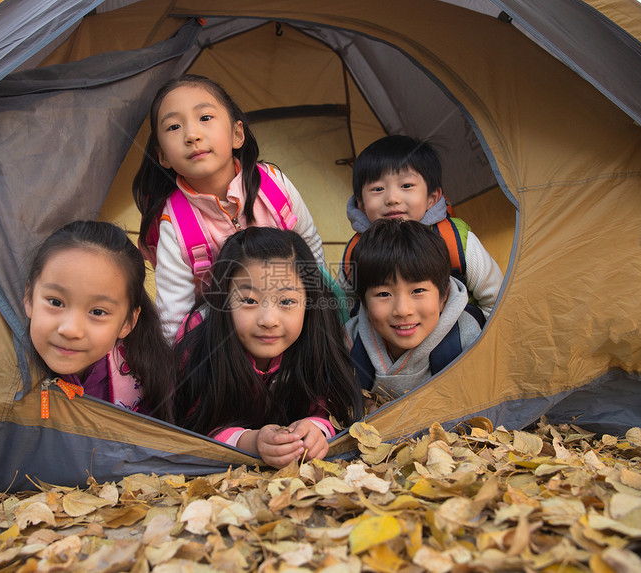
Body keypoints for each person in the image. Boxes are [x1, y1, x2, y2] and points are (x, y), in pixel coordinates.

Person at [133, 74, 325, 341]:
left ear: (237, 134)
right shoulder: (173, 224)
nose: (192, 135)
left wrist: (321, 323)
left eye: (205, 118)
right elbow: (174, 320)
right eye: (174, 127)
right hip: (223, 342)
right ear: (162, 155)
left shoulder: (274, 186)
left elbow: (311, 249)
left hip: (291, 326)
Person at [173, 227, 362, 467]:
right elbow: (192, 425)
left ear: (309, 303)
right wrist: (250, 442)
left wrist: (315, 429)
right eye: (249, 300)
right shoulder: (199, 347)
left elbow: (331, 407)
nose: (269, 320)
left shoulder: (318, 343)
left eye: (286, 301)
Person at [23, 220, 174, 420]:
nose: (70, 330)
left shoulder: (147, 380)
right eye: (55, 302)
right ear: (29, 298)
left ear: (128, 321)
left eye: (97, 312)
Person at [341, 135, 503, 318]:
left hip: (458, 342)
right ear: (361, 203)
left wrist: (475, 342)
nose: (392, 198)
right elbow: (344, 304)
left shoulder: (455, 241)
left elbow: (497, 300)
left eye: (407, 185)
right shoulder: (357, 250)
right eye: (378, 189)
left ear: (432, 198)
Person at [345, 218, 483, 402]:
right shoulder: (349, 342)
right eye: (384, 294)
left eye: (418, 291)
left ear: (443, 297)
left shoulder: (468, 337)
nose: (403, 310)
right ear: (364, 305)